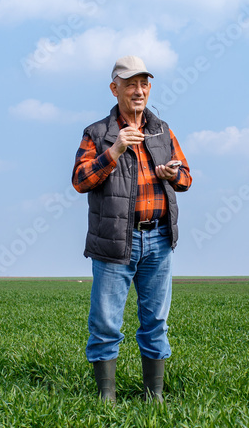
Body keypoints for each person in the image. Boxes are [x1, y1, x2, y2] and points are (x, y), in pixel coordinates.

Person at [71, 55, 192, 403]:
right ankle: (106, 397)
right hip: (115, 242)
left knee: (156, 322)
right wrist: (116, 149)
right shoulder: (97, 133)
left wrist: (174, 174)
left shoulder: (162, 130)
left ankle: (153, 396)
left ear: (149, 88)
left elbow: (187, 177)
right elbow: (80, 180)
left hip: (158, 238)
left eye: (144, 84)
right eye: (130, 84)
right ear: (115, 89)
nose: (138, 91)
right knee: (107, 323)